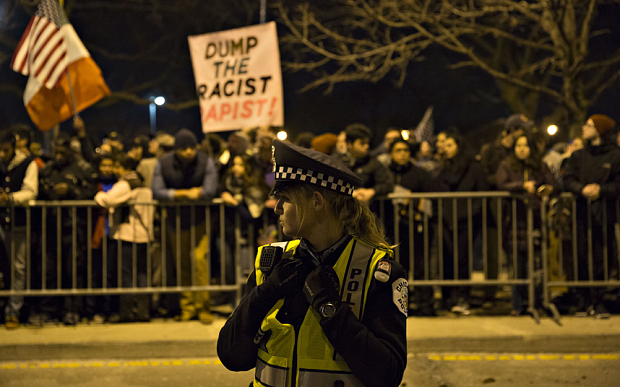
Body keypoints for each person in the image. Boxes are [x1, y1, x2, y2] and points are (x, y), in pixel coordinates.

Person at [218, 139, 407, 387]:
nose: (277, 208)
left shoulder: (378, 271)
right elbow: (233, 357)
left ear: (316, 202)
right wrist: (264, 294)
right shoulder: (271, 262)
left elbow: (387, 375)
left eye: (285, 198)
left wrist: (330, 309)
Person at [31, 133, 98, 326]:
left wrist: (71, 192)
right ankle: (48, 310)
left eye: (62, 152)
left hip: (74, 228)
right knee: (48, 271)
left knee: (73, 271)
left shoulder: (83, 169)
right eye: (56, 152)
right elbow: (38, 192)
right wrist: (48, 192)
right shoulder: (47, 169)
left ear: (70, 151)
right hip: (50, 227)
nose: (58, 156)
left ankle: (72, 310)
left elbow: (92, 194)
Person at [152, 128, 218, 324]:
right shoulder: (163, 163)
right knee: (182, 264)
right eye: (184, 149)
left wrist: (177, 195)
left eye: (191, 148)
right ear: (176, 150)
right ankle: (187, 308)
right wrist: (185, 194)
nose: (189, 152)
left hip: (200, 221)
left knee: (199, 261)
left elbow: (210, 191)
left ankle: (203, 307)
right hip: (175, 221)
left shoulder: (206, 161)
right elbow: (156, 191)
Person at [562, 114, 620, 318]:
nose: (584, 128)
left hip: (604, 216)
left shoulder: (615, 155)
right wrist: (581, 189)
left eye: (589, 125)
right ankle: (583, 301)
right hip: (581, 214)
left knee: (602, 258)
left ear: (600, 130)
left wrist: (601, 190)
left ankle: (599, 301)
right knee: (580, 257)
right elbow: (567, 179)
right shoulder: (579, 156)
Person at [495, 134, 558, 315]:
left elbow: (552, 183)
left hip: (535, 219)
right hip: (514, 221)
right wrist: (521, 185)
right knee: (517, 266)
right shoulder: (506, 165)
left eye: (525, 145)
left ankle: (536, 302)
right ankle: (518, 305)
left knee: (535, 265)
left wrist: (546, 190)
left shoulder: (539, 165)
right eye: (518, 145)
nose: (522, 149)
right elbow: (501, 183)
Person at [95, 154, 153, 322]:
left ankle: (126, 312)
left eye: (116, 166)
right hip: (144, 235)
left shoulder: (126, 183)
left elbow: (108, 199)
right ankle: (143, 311)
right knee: (142, 275)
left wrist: (98, 196)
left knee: (126, 275)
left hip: (128, 235)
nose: (114, 170)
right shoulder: (143, 182)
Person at [436, 132, 489, 314]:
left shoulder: (473, 167)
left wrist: (471, 212)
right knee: (447, 259)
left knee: (463, 259)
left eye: (450, 145)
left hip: (466, 220)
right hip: (446, 219)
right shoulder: (445, 167)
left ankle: (462, 296)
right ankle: (448, 297)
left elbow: (482, 192)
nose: (446, 148)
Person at [384, 139, 439, 316]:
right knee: (398, 270)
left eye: (406, 150)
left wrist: (407, 198)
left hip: (417, 231)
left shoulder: (419, 174)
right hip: (391, 230)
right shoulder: (384, 174)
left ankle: (425, 305)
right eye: (398, 150)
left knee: (422, 268)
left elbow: (432, 198)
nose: (403, 154)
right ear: (391, 153)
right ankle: (398, 307)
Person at [0, 130, 38, 329]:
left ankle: (13, 311)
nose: (2, 155)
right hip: (2, 221)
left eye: (5, 151)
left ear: (13, 146)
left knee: (18, 269)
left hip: (18, 222)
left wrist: (11, 198)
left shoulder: (27, 163)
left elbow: (31, 192)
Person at [336, 123, 393, 203]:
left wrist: (372, 191)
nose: (366, 146)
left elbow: (387, 184)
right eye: (362, 143)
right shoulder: (337, 162)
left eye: (367, 143)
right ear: (349, 144)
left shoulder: (373, 162)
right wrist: (348, 192)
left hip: (369, 211)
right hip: (342, 210)